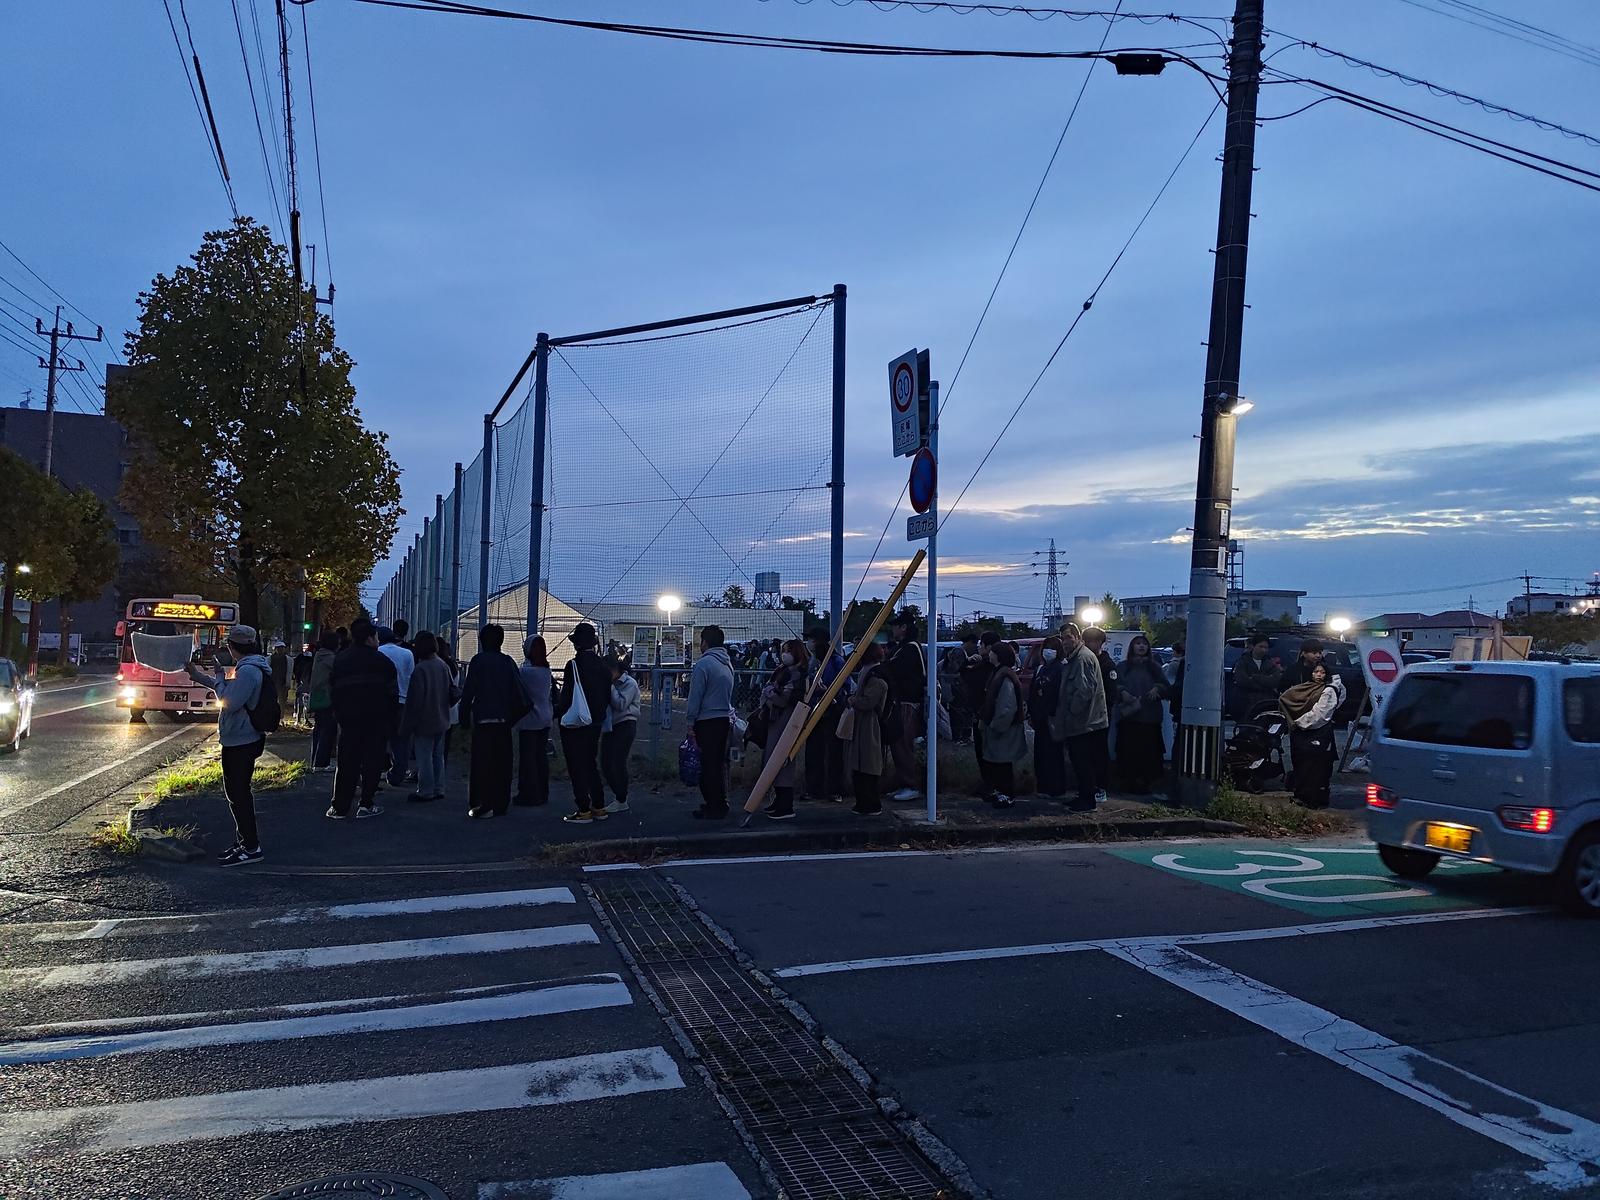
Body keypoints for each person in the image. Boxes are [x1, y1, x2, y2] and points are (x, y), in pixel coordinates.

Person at [184, 624, 272, 865]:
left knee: (238, 794)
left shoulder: (248, 671)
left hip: (242, 740)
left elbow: (228, 701)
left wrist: (220, 677)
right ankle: (244, 841)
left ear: (233, 647)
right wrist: (200, 676)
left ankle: (251, 847)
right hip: (242, 738)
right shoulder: (250, 667)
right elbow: (229, 692)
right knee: (237, 794)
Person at [327, 617, 398, 820]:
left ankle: (339, 807)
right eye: (376, 637)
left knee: (346, 762)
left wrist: (339, 714)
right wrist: (390, 719)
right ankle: (366, 804)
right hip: (376, 720)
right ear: (369, 639)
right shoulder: (382, 661)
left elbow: (333, 689)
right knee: (372, 761)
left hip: (348, 720)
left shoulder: (341, 660)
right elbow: (392, 694)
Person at [459, 623, 530, 818]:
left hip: (482, 720)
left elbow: (468, 692)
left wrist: (463, 719)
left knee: (482, 763)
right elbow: (521, 696)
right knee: (502, 764)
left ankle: (482, 802)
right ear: (501, 641)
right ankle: (500, 803)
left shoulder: (477, 661)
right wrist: (511, 719)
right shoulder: (507, 662)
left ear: (482, 641)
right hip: (503, 721)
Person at [554, 622, 610, 824]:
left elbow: (567, 697)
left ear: (577, 644)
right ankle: (599, 806)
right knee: (590, 763)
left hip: (576, 723)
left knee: (576, 765)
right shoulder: (603, 665)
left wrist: (556, 713)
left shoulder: (574, 665)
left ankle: (583, 809)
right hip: (595, 722)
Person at [1050, 622, 1109, 812]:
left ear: (1077, 638)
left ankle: (1087, 800)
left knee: (1083, 763)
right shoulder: (1075, 658)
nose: (1065, 642)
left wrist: (1071, 713)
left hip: (1085, 722)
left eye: (1068, 637)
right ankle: (1083, 796)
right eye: (1062, 638)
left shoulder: (1082, 658)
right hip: (1083, 721)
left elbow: (1084, 692)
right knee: (1079, 762)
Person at [686, 625, 736, 819]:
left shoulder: (703, 664)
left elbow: (695, 696)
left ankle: (714, 806)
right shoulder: (727, 664)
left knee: (707, 766)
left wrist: (690, 722)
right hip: (723, 719)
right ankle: (719, 802)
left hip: (706, 721)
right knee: (717, 764)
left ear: (705, 642)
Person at [1280, 661, 1345, 808]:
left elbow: (1321, 714)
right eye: (1316, 672)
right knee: (1303, 766)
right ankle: (1303, 795)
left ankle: (1313, 799)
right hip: (1303, 734)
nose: (1319, 675)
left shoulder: (1329, 690)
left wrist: (1299, 722)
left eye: (1322, 672)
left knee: (1316, 768)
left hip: (1317, 734)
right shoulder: (1306, 687)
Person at [402, 631, 456, 802]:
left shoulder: (420, 669)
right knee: (437, 756)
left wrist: (407, 724)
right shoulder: (442, 665)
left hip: (424, 720)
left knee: (424, 756)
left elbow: (415, 701)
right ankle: (439, 788)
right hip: (442, 717)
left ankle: (425, 790)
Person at [758, 638, 807, 820]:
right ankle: (779, 801)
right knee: (774, 759)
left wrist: (769, 693)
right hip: (777, 719)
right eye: (783, 651)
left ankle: (785, 805)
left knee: (782, 761)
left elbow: (784, 699)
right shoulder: (783, 671)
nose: (784, 654)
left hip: (787, 721)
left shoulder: (796, 674)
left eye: (788, 651)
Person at [841, 642, 890, 816]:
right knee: (865, 763)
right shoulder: (871, 672)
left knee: (867, 764)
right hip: (865, 723)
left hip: (870, 724)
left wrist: (852, 700)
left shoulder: (875, 676)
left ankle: (869, 803)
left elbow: (868, 702)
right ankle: (865, 802)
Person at [1116, 634, 1168, 792]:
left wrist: (1157, 689)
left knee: (1149, 754)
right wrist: (1122, 692)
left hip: (1149, 719)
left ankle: (1147, 783)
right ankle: (1128, 782)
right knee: (1128, 752)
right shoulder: (1123, 666)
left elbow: (1166, 687)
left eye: (1144, 644)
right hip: (1129, 717)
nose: (1141, 646)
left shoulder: (1154, 667)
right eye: (1138, 643)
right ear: (1132, 647)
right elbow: (1114, 685)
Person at [883, 612, 925, 800]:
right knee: (898, 744)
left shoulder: (910, 648)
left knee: (903, 744)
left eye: (895, 626)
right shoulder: (904, 647)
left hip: (908, 702)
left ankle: (911, 785)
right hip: (901, 701)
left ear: (904, 627)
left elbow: (893, 669)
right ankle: (904, 783)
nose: (893, 629)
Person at [980, 642, 1027, 806]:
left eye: (992, 652)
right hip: (1001, 727)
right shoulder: (1000, 672)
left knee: (1003, 763)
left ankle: (1007, 795)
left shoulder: (1004, 676)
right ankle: (1000, 792)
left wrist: (995, 726)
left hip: (1004, 729)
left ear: (998, 655)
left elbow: (1007, 707)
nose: (989, 654)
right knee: (998, 763)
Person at [804, 627, 848, 801]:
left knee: (833, 752)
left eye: (812, 640)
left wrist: (828, 691)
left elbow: (845, 684)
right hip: (814, 711)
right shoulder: (813, 661)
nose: (809, 643)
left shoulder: (836, 660)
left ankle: (834, 789)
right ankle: (813, 788)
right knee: (813, 751)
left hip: (832, 711)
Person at [514, 635, 554, 807]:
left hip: (529, 720)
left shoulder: (525, 672)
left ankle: (528, 794)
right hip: (545, 717)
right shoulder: (546, 671)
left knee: (528, 759)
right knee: (540, 757)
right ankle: (542, 793)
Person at [1027, 635, 1068, 799]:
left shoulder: (1061, 669)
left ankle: (1056, 788)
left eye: (1052, 648)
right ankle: (1042, 786)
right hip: (1039, 718)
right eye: (1046, 648)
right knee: (1041, 753)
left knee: (1054, 754)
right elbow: (1032, 693)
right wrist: (1031, 713)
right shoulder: (1040, 669)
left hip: (1053, 718)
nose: (1048, 651)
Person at [961, 631, 1000, 793]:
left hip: (984, 715)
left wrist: (966, 663)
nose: (979, 647)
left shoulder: (987, 667)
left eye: (981, 644)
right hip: (985, 714)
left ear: (989, 647)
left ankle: (991, 785)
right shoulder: (995, 667)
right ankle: (991, 784)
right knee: (987, 752)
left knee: (984, 751)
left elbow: (967, 675)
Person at [378, 626, 416, 786]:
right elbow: (412, 677)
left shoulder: (378, 652)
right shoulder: (407, 654)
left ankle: (376, 770)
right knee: (401, 740)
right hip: (403, 701)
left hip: (382, 702)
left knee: (379, 738)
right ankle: (398, 773)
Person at [601, 658, 641, 814]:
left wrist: (610, 686)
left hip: (625, 724)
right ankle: (619, 795)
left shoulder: (629, 683)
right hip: (611, 725)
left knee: (618, 761)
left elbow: (621, 704)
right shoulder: (611, 682)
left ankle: (621, 799)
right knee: (605, 762)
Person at [307, 630, 339, 772]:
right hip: (328, 697)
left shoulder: (319, 656)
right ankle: (321, 763)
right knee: (328, 730)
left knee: (319, 729)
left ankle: (315, 761)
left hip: (317, 697)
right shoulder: (331, 658)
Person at [1231, 634, 1282, 720]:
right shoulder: (1242, 662)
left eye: (1266, 647)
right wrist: (1265, 683)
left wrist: (1256, 677)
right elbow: (1242, 680)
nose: (1263, 650)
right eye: (1260, 646)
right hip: (1245, 704)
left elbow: (1275, 680)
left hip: (1266, 705)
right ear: (1253, 646)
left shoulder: (1270, 663)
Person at [941, 634, 978, 745]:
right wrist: (968, 664)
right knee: (958, 713)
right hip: (955, 686)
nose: (975, 647)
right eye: (974, 644)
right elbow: (954, 669)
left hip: (955, 686)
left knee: (960, 712)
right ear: (970, 642)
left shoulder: (959, 651)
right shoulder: (959, 652)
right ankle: (958, 737)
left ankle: (960, 736)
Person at [293, 642, 313, 722]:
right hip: (305, 682)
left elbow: (295, 669)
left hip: (302, 681)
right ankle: (303, 718)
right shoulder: (311, 662)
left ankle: (299, 717)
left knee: (300, 700)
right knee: (304, 701)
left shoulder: (300, 659)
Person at [269, 641, 290, 714]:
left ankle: (281, 715)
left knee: (282, 700)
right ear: (275, 649)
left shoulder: (288, 660)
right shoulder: (270, 659)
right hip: (272, 682)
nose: (280, 650)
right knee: (272, 699)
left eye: (282, 648)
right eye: (279, 648)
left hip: (283, 683)